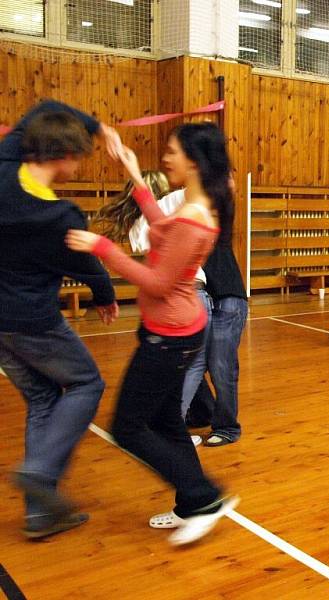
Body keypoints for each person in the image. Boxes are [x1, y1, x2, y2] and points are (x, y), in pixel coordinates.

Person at [66, 123, 238, 545]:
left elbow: (159, 282)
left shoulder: (197, 219)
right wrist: (135, 176)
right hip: (171, 330)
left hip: (171, 335)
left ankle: (205, 496)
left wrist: (102, 249)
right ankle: (192, 503)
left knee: (128, 427)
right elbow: (162, 230)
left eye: (172, 152)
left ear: (194, 162)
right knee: (166, 421)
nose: (166, 158)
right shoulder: (193, 208)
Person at [0, 100, 121, 539]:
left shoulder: (3, 168)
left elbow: (45, 107)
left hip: (2, 328)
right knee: (87, 383)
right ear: (64, 157)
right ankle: (39, 471)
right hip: (35, 322)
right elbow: (87, 265)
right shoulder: (61, 216)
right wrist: (105, 296)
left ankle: (39, 514)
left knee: (43, 400)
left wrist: (94, 122)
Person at [128, 183, 248, 448]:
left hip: (228, 298)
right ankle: (178, 423)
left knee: (221, 366)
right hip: (202, 299)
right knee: (193, 364)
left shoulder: (205, 212)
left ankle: (228, 427)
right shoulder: (177, 218)